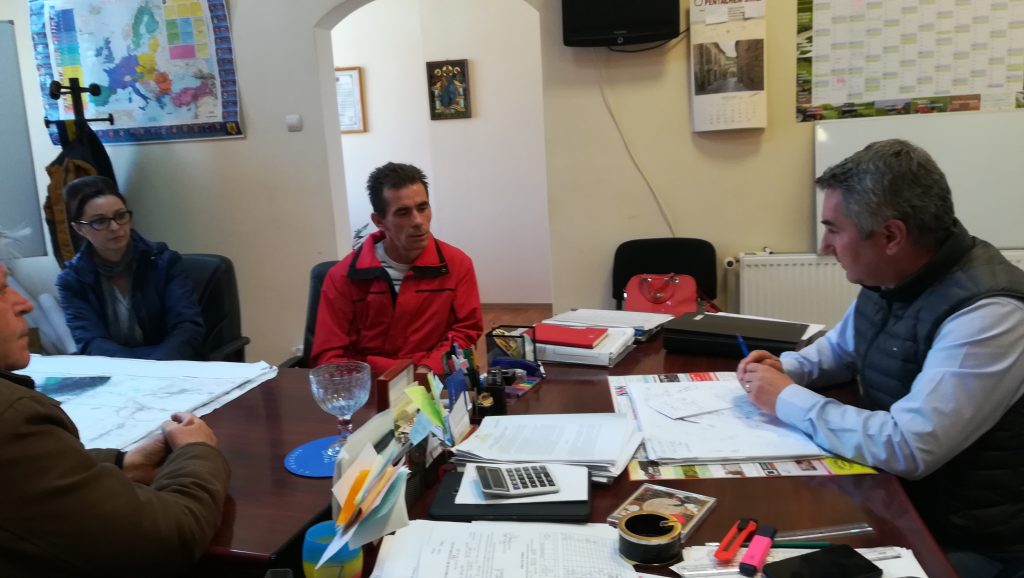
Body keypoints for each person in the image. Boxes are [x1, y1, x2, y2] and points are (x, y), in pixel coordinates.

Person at [736, 139, 1024, 577]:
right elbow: (841, 349)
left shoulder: (990, 313)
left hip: (966, 539)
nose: (825, 246)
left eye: (834, 230)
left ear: (891, 236)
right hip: (898, 500)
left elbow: (909, 445)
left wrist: (786, 398)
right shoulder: (893, 275)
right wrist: (784, 369)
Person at [0, 262, 230, 576]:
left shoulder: (165, 264)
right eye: (2, 290)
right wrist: (198, 452)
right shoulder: (13, 419)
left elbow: (25, 475)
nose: (25, 304)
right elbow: (165, 543)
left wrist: (123, 463)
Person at [311, 162, 483, 375]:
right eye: (403, 212)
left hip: (432, 380)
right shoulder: (343, 276)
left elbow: (466, 331)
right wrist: (392, 377)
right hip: (368, 384)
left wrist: (428, 369)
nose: (418, 221)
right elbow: (329, 356)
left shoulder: (456, 265)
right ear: (379, 221)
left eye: (422, 208)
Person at [57, 176, 205, 360]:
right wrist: (133, 370)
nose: (114, 227)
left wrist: (154, 368)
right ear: (79, 229)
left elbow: (187, 328)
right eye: (100, 221)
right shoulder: (72, 281)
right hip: (116, 371)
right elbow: (91, 341)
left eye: (120, 216)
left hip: (171, 365)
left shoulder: (164, 262)